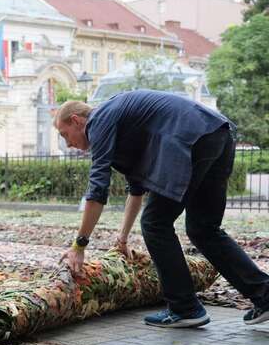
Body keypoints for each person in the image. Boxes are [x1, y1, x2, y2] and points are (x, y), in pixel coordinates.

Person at [55, 90, 269, 328]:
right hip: (217, 133)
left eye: (65, 134)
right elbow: (136, 189)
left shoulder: (99, 120)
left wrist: (79, 246)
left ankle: (185, 308)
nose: (68, 144)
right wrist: (122, 238)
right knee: (203, 229)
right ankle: (265, 294)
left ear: (76, 120)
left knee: (156, 223)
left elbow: (97, 188)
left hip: (191, 138)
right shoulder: (120, 125)